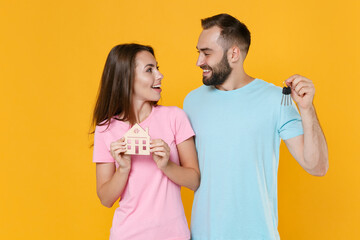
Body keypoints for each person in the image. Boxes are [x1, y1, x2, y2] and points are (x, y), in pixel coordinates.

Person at [183, 14, 329, 239]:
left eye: (207, 53)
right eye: (198, 52)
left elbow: (317, 167)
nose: (199, 61)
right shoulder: (192, 102)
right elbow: (186, 172)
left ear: (233, 54)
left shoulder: (276, 99)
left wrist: (307, 109)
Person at [92, 43, 200, 240]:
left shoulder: (175, 117)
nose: (159, 75)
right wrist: (123, 168)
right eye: (149, 70)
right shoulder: (106, 128)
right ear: (126, 78)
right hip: (127, 234)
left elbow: (194, 181)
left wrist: (166, 165)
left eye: (157, 68)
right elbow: (106, 199)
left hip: (174, 235)